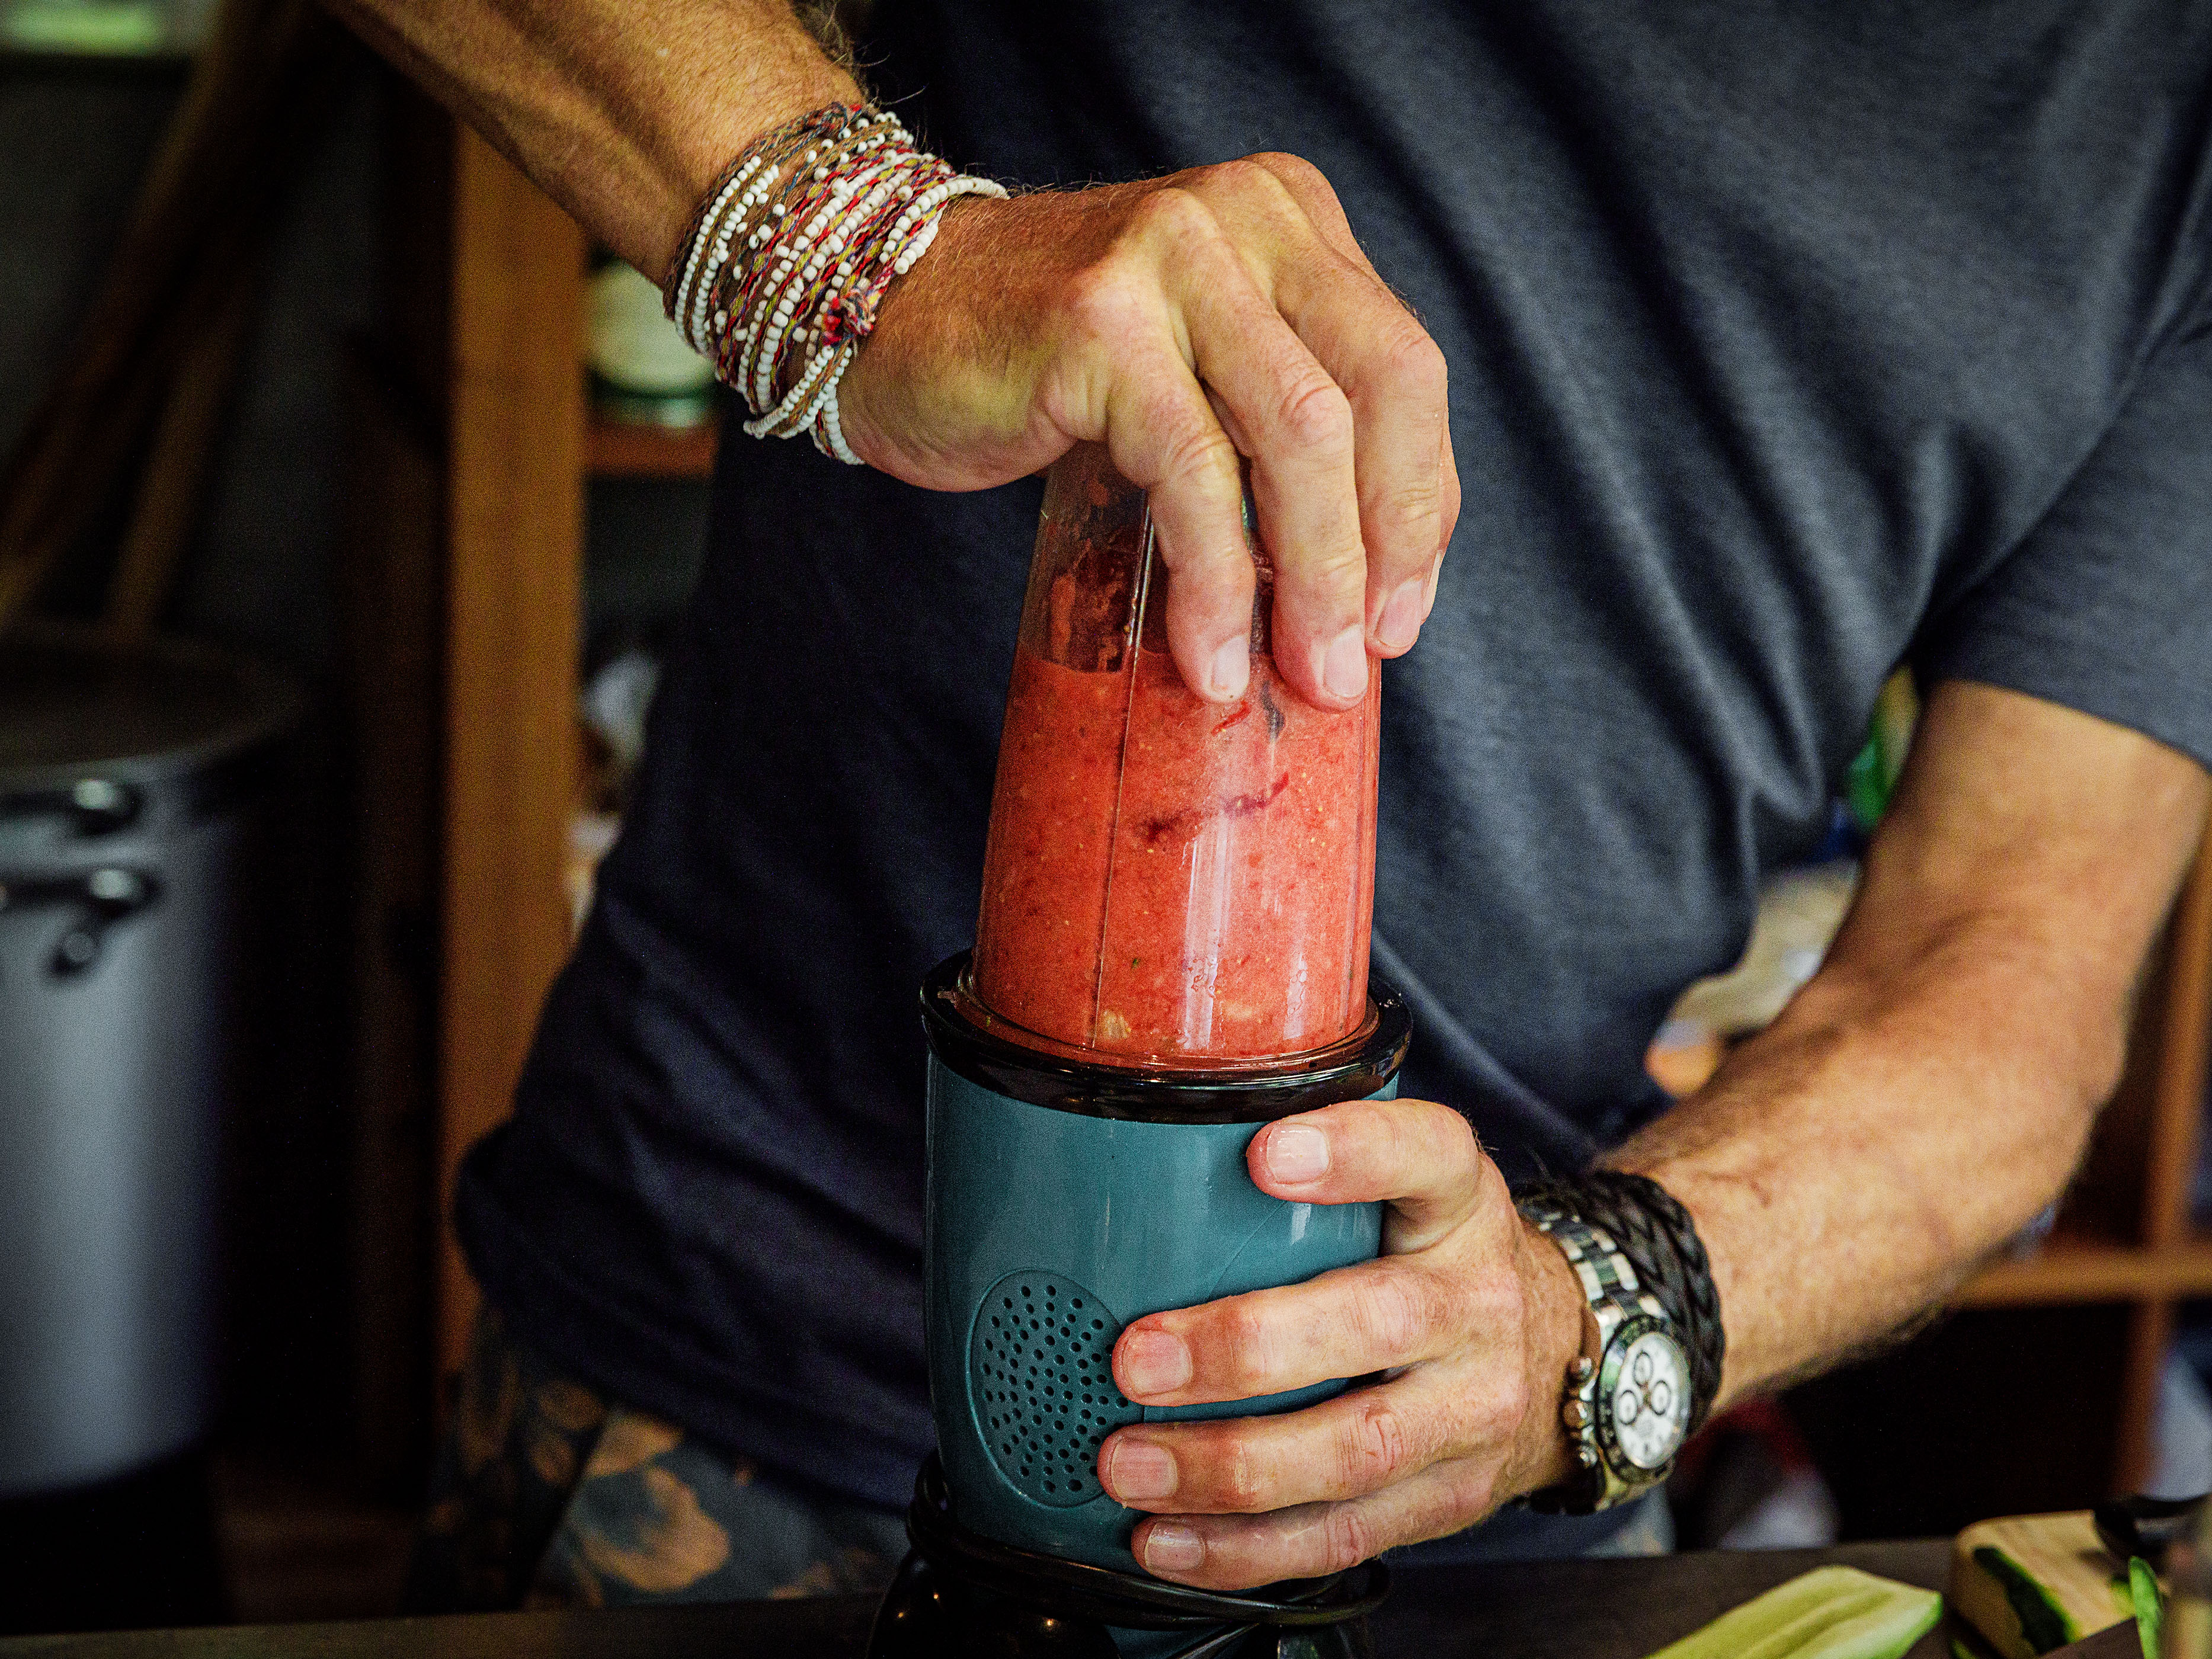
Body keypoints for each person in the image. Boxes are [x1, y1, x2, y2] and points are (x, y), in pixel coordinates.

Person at [332, 0, 2212, 1610]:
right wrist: (857, 245)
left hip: (1473, 1496)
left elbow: (2004, 991)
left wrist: (1573, 1323)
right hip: (738, 1393)